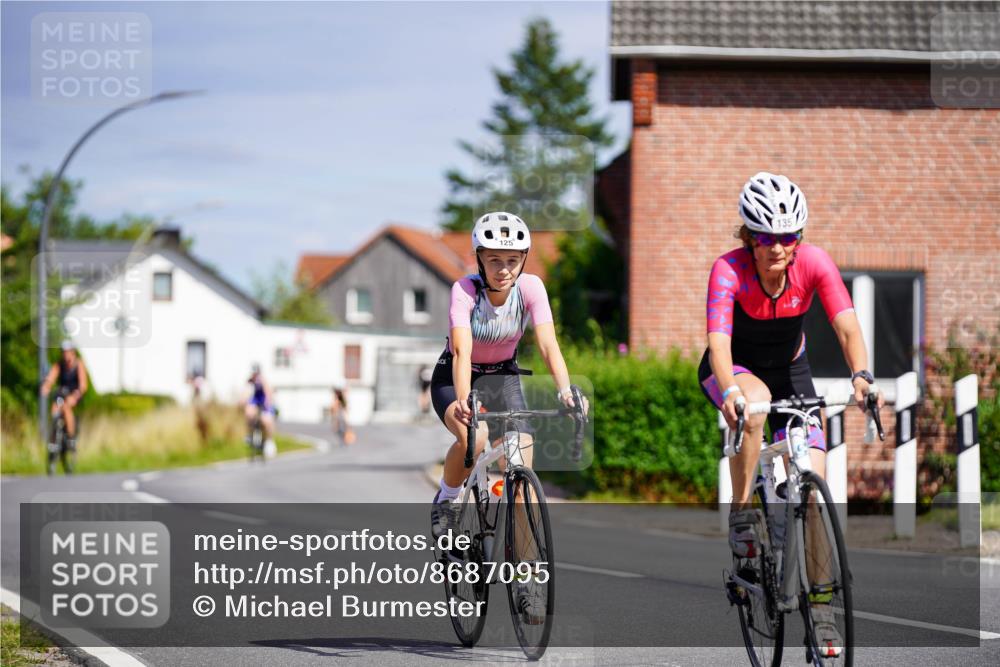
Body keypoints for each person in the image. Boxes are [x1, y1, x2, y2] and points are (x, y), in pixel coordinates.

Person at [699, 172, 884, 658]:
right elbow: (717, 344)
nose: (777, 248)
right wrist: (733, 393)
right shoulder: (729, 270)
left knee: (815, 496)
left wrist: (860, 375)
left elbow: (846, 327)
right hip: (735, 368)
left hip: (791, 371)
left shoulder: (815, 264)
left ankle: (821, 608)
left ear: (798, 238)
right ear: (748, 237)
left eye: (787, 237)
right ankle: (743, 514)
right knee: (755, 412)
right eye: (765, 237)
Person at [429, 211, 588, 625]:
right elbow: (462, 352)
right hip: (457, 378)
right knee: (475, 438)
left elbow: (550, 345)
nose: (504, 269)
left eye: (513, 260)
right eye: (495, 259)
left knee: (521, 474)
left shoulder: (532, 288)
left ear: (524, 260)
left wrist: (565, 390)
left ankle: (526, 581)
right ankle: (447, 499)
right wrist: (464, 402)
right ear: (480, 259)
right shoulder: (464, 290)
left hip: (504, 378)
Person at [40, 340, 89, 450]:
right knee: (54, 408)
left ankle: (71, 438)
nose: (65, 354)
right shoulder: (59, 365)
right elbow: (51, 377)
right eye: (63, 352)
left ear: (72, 352)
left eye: (67, 352)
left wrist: (76, 394)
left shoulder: (78, 364)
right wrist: (46, 386)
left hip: (75, 394)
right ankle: (54, 437)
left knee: (66, 408)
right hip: (62, 393)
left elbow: (83, 385)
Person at [243, 363, 276, 457]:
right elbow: (245, 391)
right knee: (248, 413)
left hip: (264, 400)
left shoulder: (263, 380)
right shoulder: (251, 380)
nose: (254, 375)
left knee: (267, 421)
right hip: (256, 400)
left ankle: (269, 441)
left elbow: (268, 392)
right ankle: (250, 434)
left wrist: (267, 404)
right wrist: (243, 400)